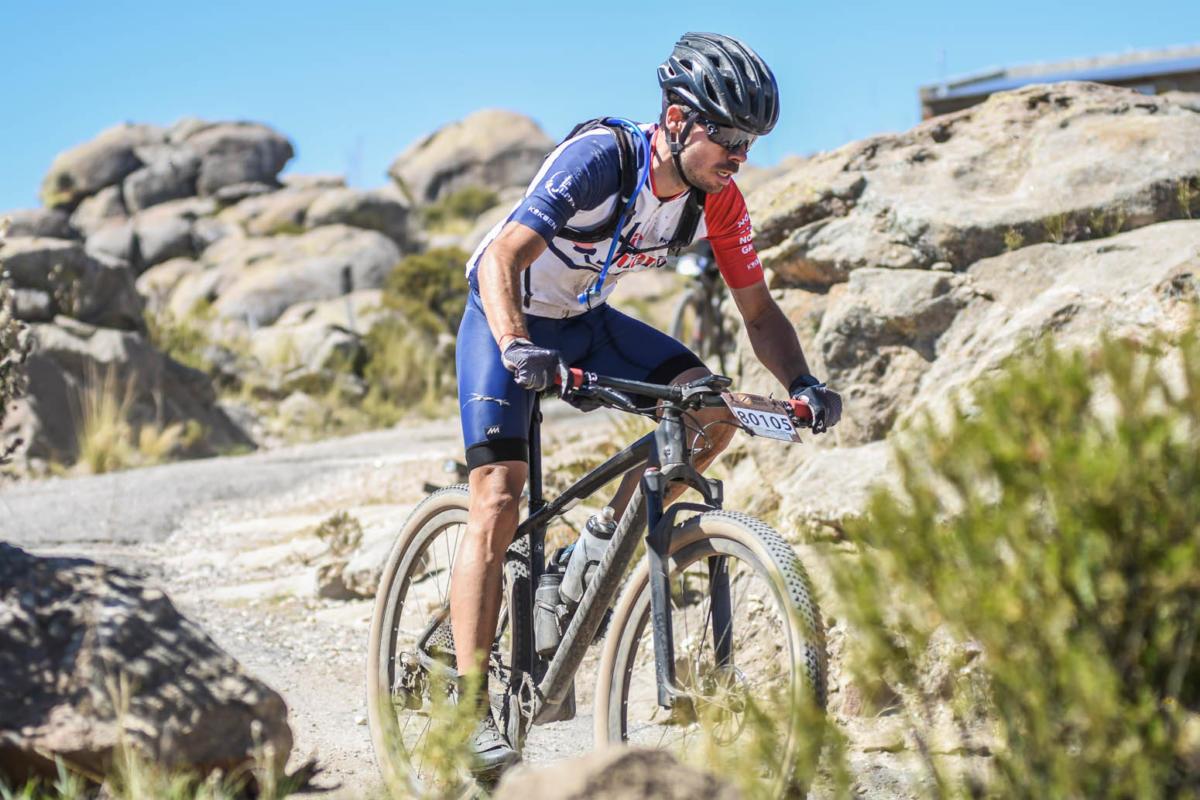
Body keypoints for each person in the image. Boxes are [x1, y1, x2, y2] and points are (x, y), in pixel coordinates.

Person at [450, 31, 843, 775]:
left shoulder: (718, 200)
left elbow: (758, 312)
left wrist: (802, 385)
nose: (740, 155)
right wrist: (514, 346)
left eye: (751, 142)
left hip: (584, 321)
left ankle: (594, 549)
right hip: (506, 316)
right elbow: (502, 256)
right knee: (498, 497)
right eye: (728, 137)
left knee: (709, 412)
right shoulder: (601, 159)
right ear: (676, 120)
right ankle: (466, 712)